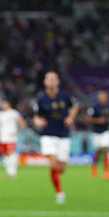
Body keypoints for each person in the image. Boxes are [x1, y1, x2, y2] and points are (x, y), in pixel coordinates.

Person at [33, 71, 79, 204]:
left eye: (54, 78)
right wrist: (38, 122)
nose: (52, 80)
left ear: (58, 81)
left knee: (61, 168)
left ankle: (57, 181)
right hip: (48, 135)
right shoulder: (41, 99)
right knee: (53, 163)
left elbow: (75, 106)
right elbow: (36, 116)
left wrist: (70, 117)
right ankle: (59, 192)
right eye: (49, 78)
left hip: (64, 135)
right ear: (45, 82)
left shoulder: (66, 96)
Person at [85, 90, 109, 181]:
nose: (102, 98)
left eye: (104, 96)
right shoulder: (94, 107)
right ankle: (93, 165)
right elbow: (87, 118)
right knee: (98, 151)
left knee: (105, 149)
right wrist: (98, 121)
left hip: (106, 131)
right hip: (96, 132)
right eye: (101, 96)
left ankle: (106, 172)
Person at [0, 99, 25, 179]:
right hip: (2, 137)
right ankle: (8, 172)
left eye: (4, 103)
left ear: (8, 104)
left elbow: (22, 122)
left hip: (11, 137)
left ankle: (13, 172)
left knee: (10, 153)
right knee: (5, 154)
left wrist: (17, 132)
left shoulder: (14, 113)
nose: (3, 105)